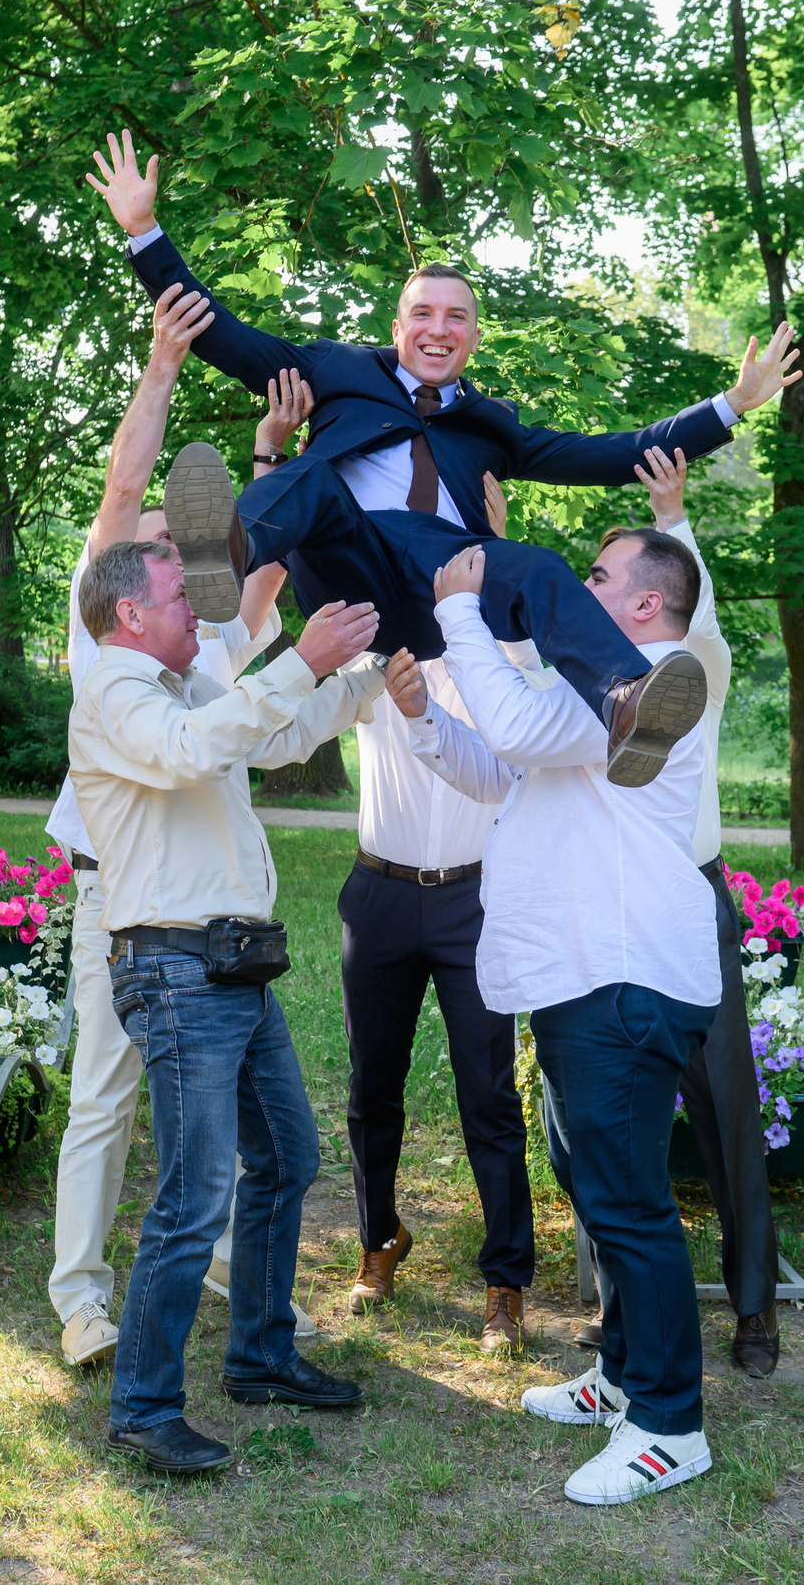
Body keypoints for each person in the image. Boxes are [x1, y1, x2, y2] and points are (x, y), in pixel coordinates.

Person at [83, 131, 801, 778]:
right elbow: (224, 333)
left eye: (456, 317)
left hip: (438, 598)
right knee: (314, 481)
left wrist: (732, 405)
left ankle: (624, 701)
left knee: (534, 563)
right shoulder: (336, 371)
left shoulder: (495, 426)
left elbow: (618, 452)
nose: (438, 328)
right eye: (422, 313)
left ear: (474, 337)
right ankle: (223, 554)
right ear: (396, 327)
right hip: (347, 570)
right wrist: (145, 232)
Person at [403, 531, 721, 1506]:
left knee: (628, 1204)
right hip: (584, 973)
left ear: (640, 605)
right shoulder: (602, 688)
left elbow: (522, 732)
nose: (578, 591)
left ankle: (669, 1424)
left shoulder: (651, 680)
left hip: (622, 974)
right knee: (599, 1189)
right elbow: (509, 771)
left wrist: (459, 610)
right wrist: (422, 719)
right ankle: (623, 1376)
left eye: (596, 577)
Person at [70, 539, 384, 1476]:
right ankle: (142, 1407)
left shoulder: (182, 687)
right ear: (130, 613)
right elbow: (188, 755)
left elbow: (274, 733)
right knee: (194, 1194)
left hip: (232, 964)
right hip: (172, 970)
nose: (198, 615)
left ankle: (257, 1354)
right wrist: (299, 659)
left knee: (287, 1156)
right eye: (177, 597)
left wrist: (367, 673)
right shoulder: (117, 693)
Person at [44, 285, 304, 1371]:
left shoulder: (200, 644)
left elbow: (265, 575)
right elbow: (122, 484)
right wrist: (160, 365)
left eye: (183, 548)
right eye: (158, 542)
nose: (173, 552)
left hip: (214, 910)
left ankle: (222, 1269)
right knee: (105, 1094)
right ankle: (81, 1298)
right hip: (122, 894)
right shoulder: (102, 625)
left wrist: (269, 452)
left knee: (232, 1106)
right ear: (123, 581)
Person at [341, 502, 536, 1350]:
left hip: (474, 899)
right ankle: (379, 1238)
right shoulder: (375, 651)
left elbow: (525, 724)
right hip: (379, 892)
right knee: (370, 1089)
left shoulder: (501, 659)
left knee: (488, 1095)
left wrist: (496, 544)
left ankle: (506, 1281)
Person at [634, 447, 783, 1376]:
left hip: (691, 893)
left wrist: (674, 513)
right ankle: (628, 1311)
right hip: (612, 907)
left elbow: (705, 616)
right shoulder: (592, 667)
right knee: (614, 1118)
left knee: (726, 1103)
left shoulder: (701, 666)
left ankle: (755, 1308)